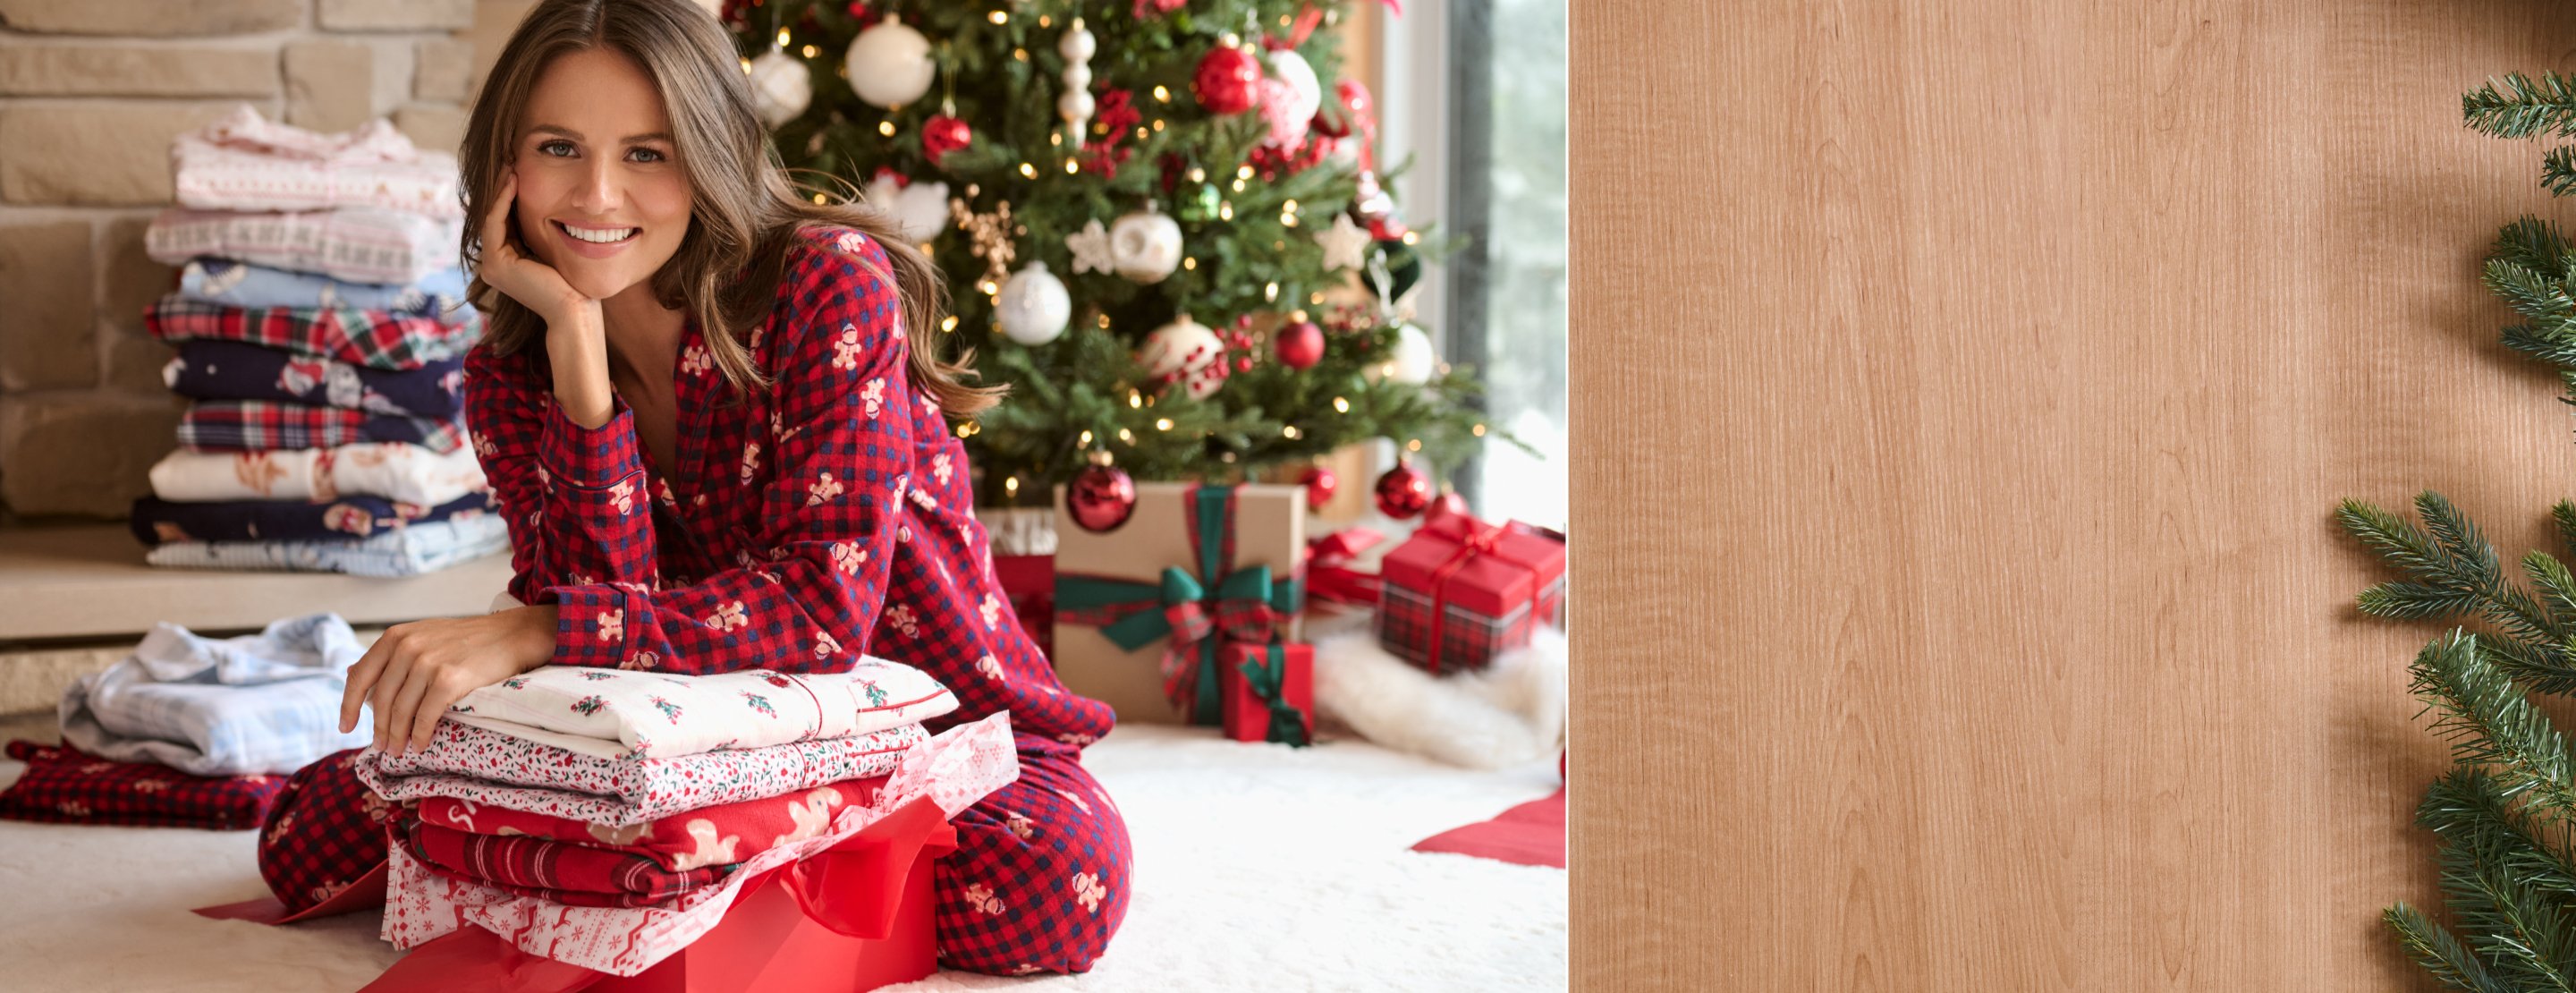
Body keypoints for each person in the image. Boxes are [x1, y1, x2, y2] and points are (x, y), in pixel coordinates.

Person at [255, 0, 1131, 974]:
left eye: (647, 153)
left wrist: (541, 630)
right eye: (558, 147)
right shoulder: (511, 370)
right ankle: (715, 869)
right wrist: (582, 374)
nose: (595, 195)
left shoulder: (828, 285)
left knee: (1050, 884)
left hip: (923, 734)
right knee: (307, 838)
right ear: (503, 163)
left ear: (709, 153)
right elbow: (599, 660)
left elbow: (821, 615)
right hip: (668, 751)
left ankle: (676, 876)